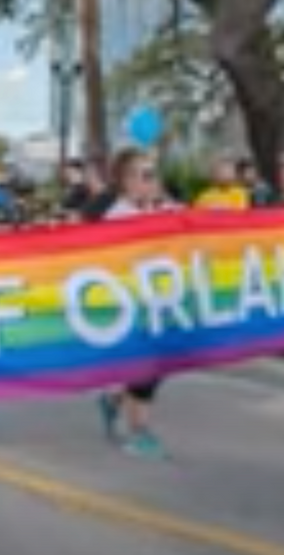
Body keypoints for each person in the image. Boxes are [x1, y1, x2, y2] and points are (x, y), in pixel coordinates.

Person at [95, 148, 171, 460]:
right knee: (145, 368)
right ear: (126, 182)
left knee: (158, 366)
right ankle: (138, 432)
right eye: (145, 175)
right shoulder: (119, 216)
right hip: (130, 305)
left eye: (154, 174)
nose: (152, 181)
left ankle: (113, 398)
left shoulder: (166, 209)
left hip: (162, 302)